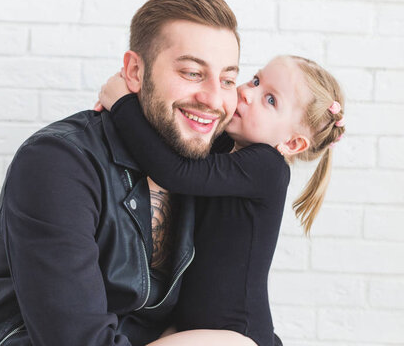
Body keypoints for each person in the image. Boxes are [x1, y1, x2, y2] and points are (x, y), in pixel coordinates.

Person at [0, 0, 241, 346]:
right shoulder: (58, 162)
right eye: (192, 72)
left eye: (228, 79)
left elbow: (235, 311)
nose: (214, 99)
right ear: (134, 71)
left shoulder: (213, 167)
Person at [97, 55, 346, 346]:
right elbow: (170, 145)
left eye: (270, 100)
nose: (246, 92)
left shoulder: (267, 167)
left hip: (234, 334)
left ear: (292, 143)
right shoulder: (228, 146)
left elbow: (175, 172)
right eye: (255, 80)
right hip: (191, 325)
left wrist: (122, 105)